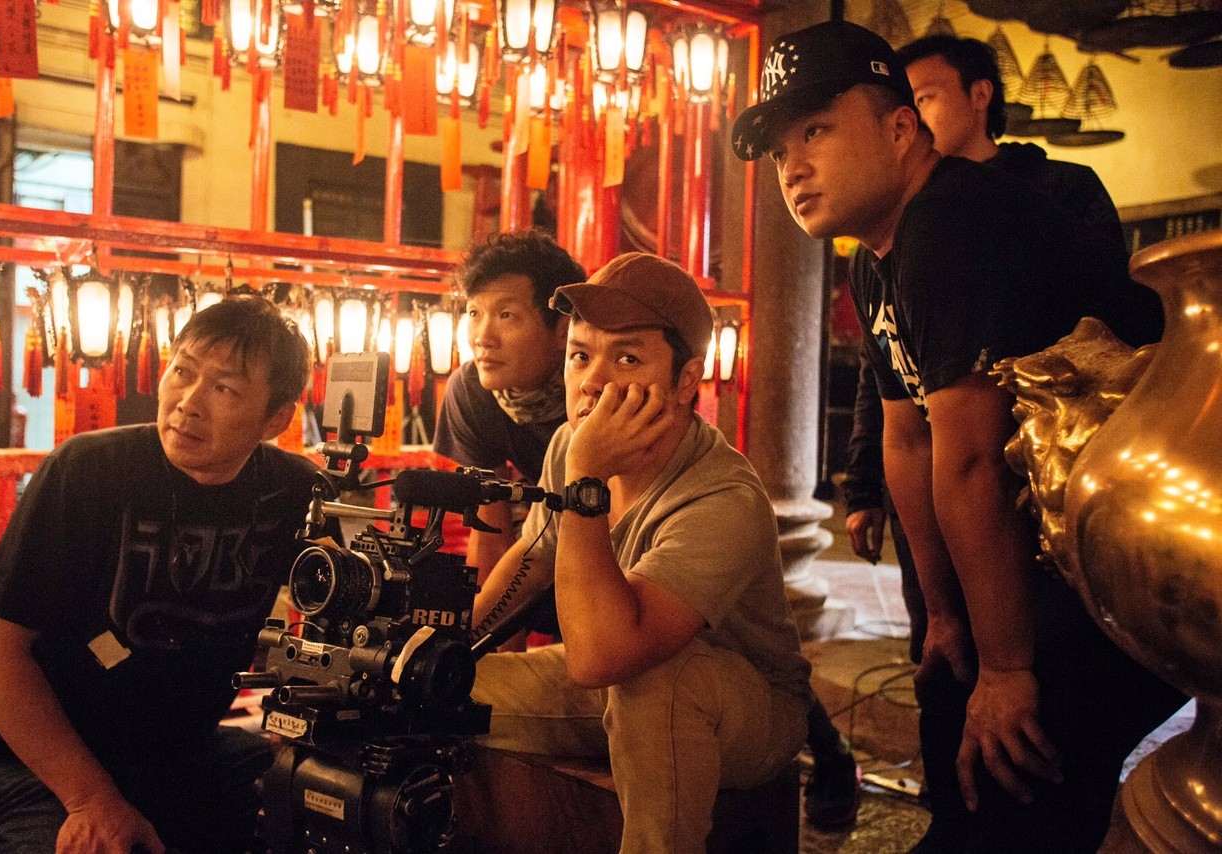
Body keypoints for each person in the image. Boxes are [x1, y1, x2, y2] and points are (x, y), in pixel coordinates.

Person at [733, 20, 1184, 853]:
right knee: (957, 730)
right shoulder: (877, 255)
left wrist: (1008, 666)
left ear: (902, 128)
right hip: (1049, 532)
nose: (791, 165)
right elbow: (910, 439)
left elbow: (973, 456)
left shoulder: (955, 222)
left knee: (1022, 787)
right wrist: (944, 614)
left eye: (818, 130)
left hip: (1134, 547)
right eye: (779, 149)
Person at [0, 297, 331, 854]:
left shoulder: (295, 492)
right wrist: (91, 800)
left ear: (276, 419)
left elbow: (345, 617)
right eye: (183, 371)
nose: (187, 404)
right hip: (21, 762)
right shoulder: (88, 472)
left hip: (175, 756)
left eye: (224, 388)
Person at [469, 252, 814, 853]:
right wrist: (438, 644)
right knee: (440, 687)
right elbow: (532, 561)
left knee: (657, 683)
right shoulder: (571, 445)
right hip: (617, 684)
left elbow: (603, 657)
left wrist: (585, 483)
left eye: (626, 357)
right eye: (580, 356)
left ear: (686, 380)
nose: (593, 382)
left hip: (744, 705)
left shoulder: (722, 496)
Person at [841, 33, 1144, 667]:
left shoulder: (1047, 191)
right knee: (942, 659)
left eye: (924, 98)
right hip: (937, 473)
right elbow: (892, 369)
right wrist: (865, 484)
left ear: (979, 95)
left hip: (1046, 481)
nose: (913, 119)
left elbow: (1110, 333)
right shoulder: (883, 244)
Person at [434, 230, 585, 592]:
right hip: (547, 536)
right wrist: (482, 647)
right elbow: (489, 534)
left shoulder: (594, 392)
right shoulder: (472, 393)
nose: (482, 337)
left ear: (563, 329)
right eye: (474, 312)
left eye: (505, 315)